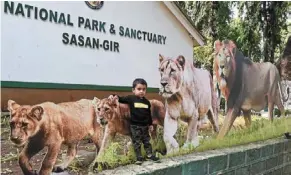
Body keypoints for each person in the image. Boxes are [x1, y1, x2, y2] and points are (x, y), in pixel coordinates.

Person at [108, 78, 160, 165]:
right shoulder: (131, 98)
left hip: (145, 127)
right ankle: (139, 157)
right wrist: (113, 95)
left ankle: (149, 155)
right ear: (133, 90)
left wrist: (150, 124)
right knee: (137, 142)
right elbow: (120, 98)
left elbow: (148, 115)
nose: (141, 91)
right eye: (139, 89)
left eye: (144, 89)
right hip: (135, 126)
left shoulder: (147, 102)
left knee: (147, 141)